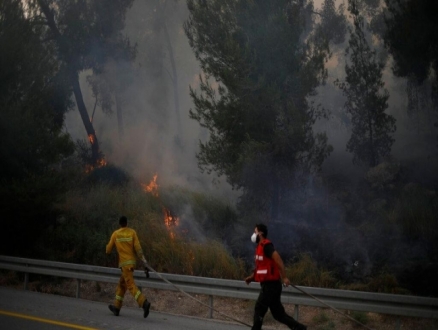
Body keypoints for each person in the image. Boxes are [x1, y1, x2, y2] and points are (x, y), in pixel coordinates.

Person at [245, 223, 307, 330]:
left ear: (260, 233)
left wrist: (285, 277)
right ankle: (299, 328)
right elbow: (262, 269)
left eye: (255, 231)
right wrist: (251, 277)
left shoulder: (266, 246)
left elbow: (278, 260)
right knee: (278, 314)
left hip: (271, 286)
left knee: (259, 308)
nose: (253, 234)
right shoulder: (259, 247)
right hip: (271, 285)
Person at [106, 215, 151, 318]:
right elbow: (138, 249)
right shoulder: (132, 232)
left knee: (130, 285)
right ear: (127, 223)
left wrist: (107, 249)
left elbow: (108, 250)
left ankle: (144, 303)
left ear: (119, 224)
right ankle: (116, 308)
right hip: (131, 265)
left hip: (125, 265)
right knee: (122, 285)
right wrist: (145, 262)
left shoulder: (116, 234)